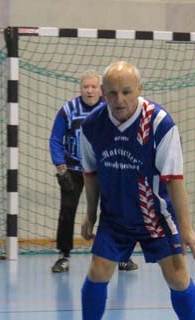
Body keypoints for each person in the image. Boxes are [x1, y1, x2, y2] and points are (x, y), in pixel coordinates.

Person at [72, 61, 195, 320]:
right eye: (111, 93)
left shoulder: (160, 124)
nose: (119, 100)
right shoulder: (92, 125)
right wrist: (90, 213)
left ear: (140, 91)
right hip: (115, 216)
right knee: (98, 271)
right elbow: (91, 174)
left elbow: (175, 180)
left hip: (156, 216)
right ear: (103, 94)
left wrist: (186, 230)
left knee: (177, 276)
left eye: (126, 92)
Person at [49, 70, 138, 273]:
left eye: (93, 87)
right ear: (80, 89)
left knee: (116, 210)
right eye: (85, 87)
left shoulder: (110, 109)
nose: (89, 91)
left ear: (102, 90)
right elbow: (55, 139)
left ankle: (123, 257)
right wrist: (60, 167)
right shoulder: (68, 110)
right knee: (67, 210)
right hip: (73, 168)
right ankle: (63, 256)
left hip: (103, 169)